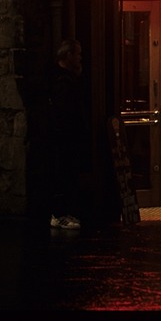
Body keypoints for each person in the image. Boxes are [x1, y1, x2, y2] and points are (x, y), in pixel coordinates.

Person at [49, 38, 92, 231]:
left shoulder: (65, 79)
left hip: (67, 138)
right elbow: (65, 113)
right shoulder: (63, 83)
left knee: (67, 175)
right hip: (66, 139)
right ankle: (59, 214)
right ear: (68, 56)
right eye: (77, 54)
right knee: (64, 175)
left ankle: (63, 212)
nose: (80, 58)